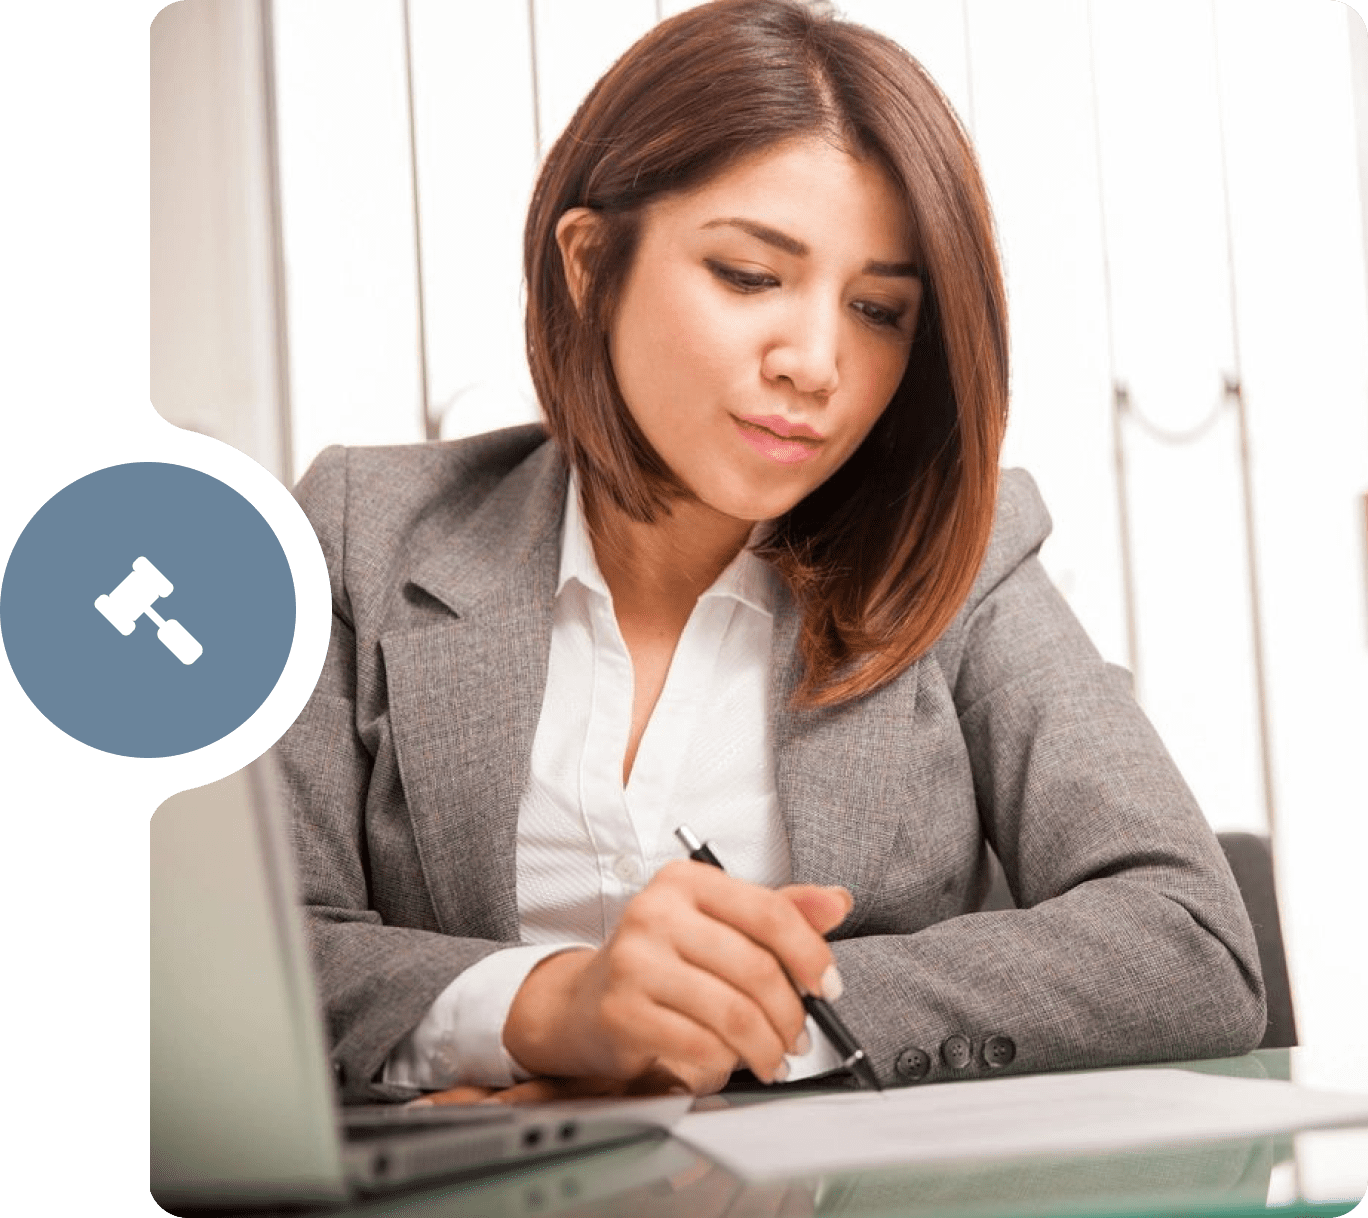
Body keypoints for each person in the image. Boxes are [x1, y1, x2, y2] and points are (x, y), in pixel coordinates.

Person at [276, 0, 1265, 1105]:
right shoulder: (360, 529)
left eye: (880, 310)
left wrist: (756, 1024)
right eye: (750, 275)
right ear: (590, 264)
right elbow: (250, 950)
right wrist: (553, 1008)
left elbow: (1186, 941)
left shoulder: (962, 556)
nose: (816, 362)